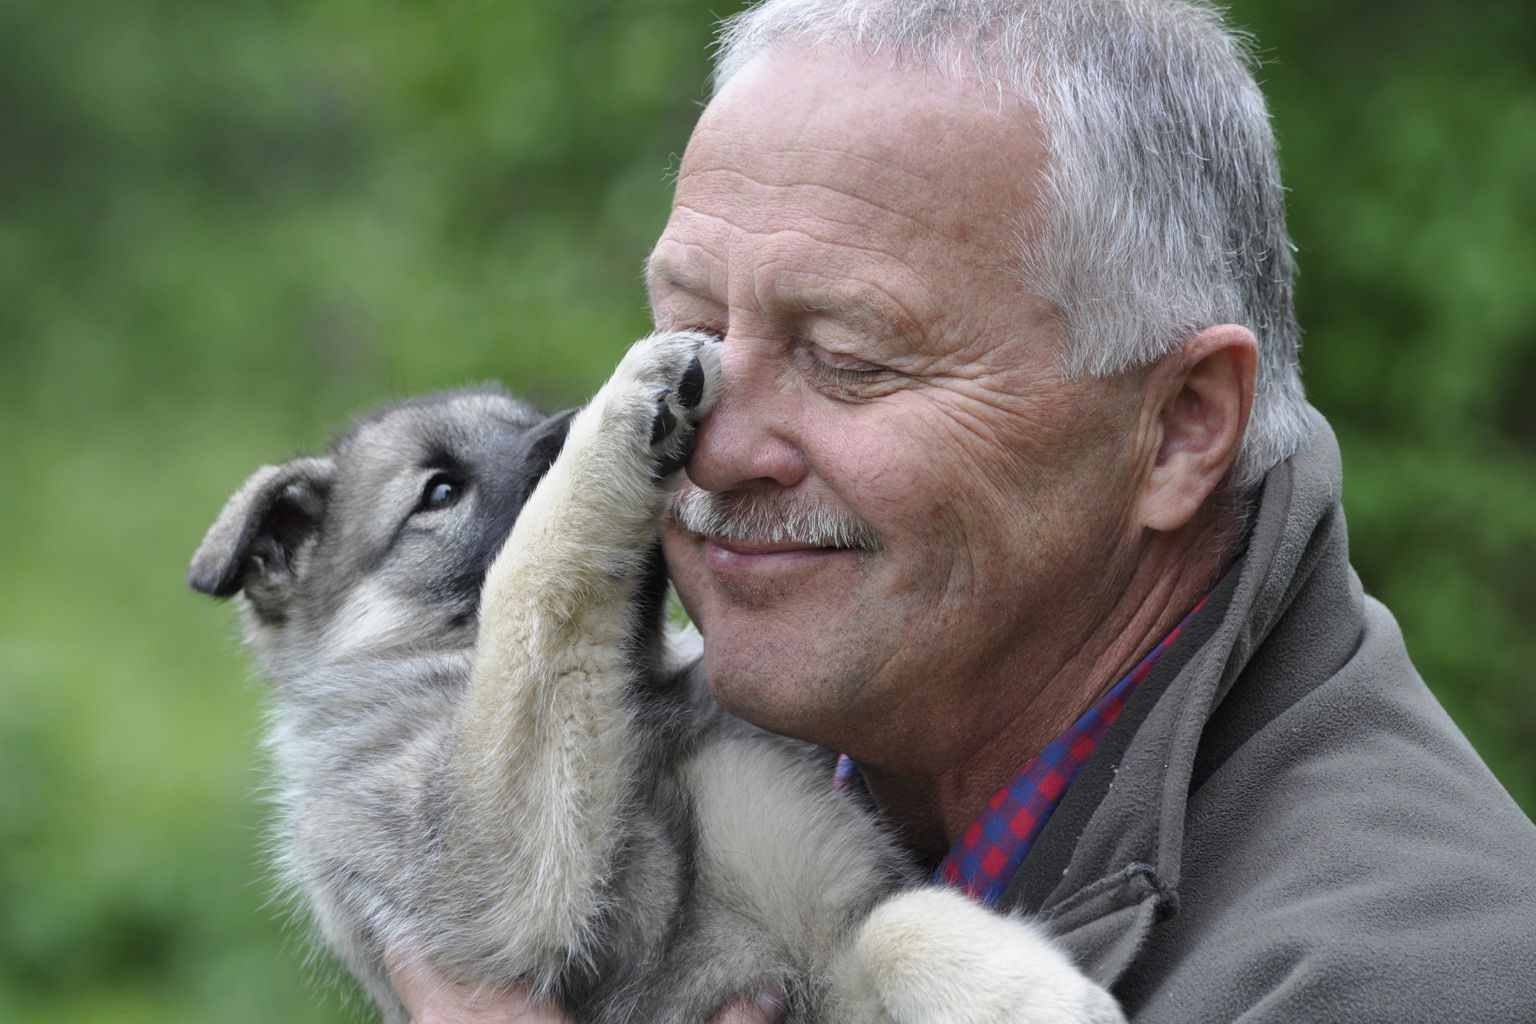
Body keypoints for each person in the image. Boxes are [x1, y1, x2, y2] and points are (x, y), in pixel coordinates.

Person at [394, 0, 1536, 1020]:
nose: (712, 448)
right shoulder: (758, 767)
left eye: (846, 358)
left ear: (1182, 425)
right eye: (686, 346)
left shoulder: (1406, 979)